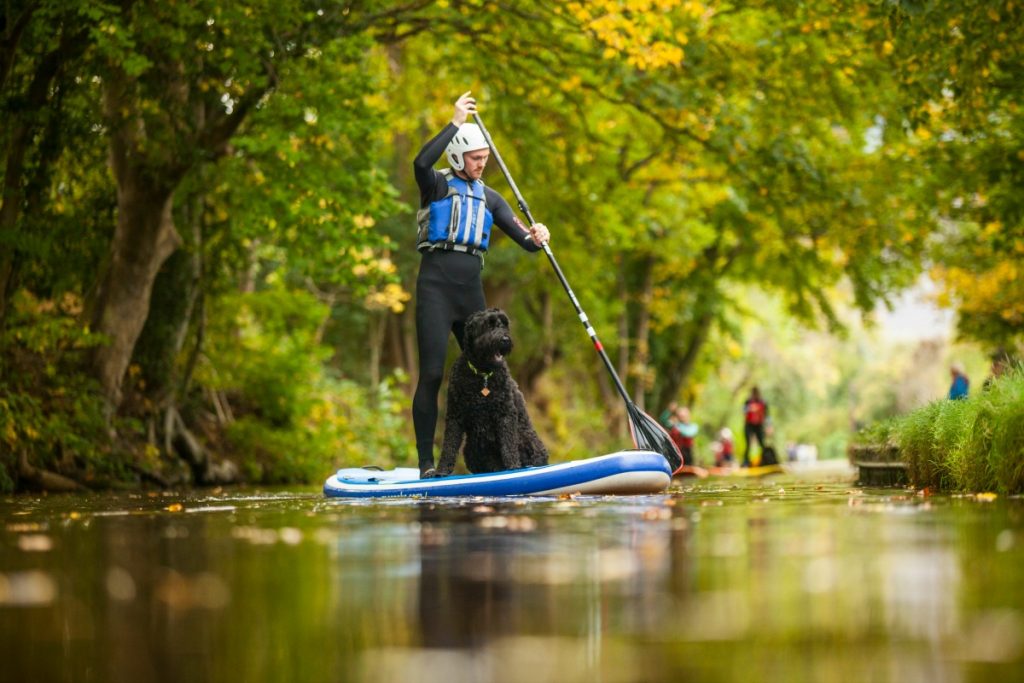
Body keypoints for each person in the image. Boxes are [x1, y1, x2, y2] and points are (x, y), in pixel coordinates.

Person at [411, 92, 551, 477]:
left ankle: (502, 455)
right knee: (434, 374)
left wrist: (539, 235)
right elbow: (420, 160)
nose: (481, 164)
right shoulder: (436, 185)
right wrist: (455, 120)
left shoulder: (490, 197)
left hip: (470, 291)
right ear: (457, 156)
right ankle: (428, 464)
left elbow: (527, 244)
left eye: (485, 158)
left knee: (492, 368)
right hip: (436, 288)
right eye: (475, 158)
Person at [741, 386, 768, 467]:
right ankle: (746, 461)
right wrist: (750, 408)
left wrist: (768, 426)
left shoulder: (763, 402)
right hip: (749, 424)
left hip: (759, 425)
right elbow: (743, 410)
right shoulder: (748, 402)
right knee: (748, 443)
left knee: (762, 443)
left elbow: (767, 415)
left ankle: (765, 460)